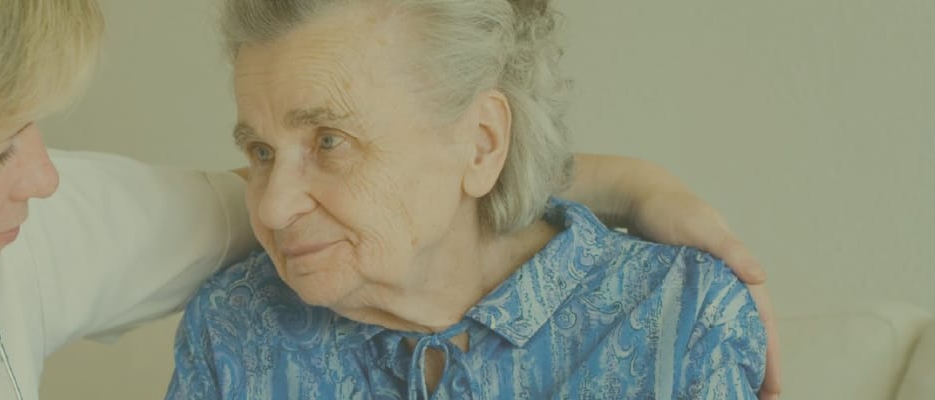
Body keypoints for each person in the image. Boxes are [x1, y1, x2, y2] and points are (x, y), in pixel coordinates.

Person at [0, 1, 771, 399]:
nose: (46, 176)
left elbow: (265, 212)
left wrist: (579, 178)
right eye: (3, 144)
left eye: (321, 140)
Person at [169, 0, 769, 398]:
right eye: (262, 152)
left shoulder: (681, 317)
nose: (272, 209)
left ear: (481, 144)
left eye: (329, 141)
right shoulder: (234, 327)